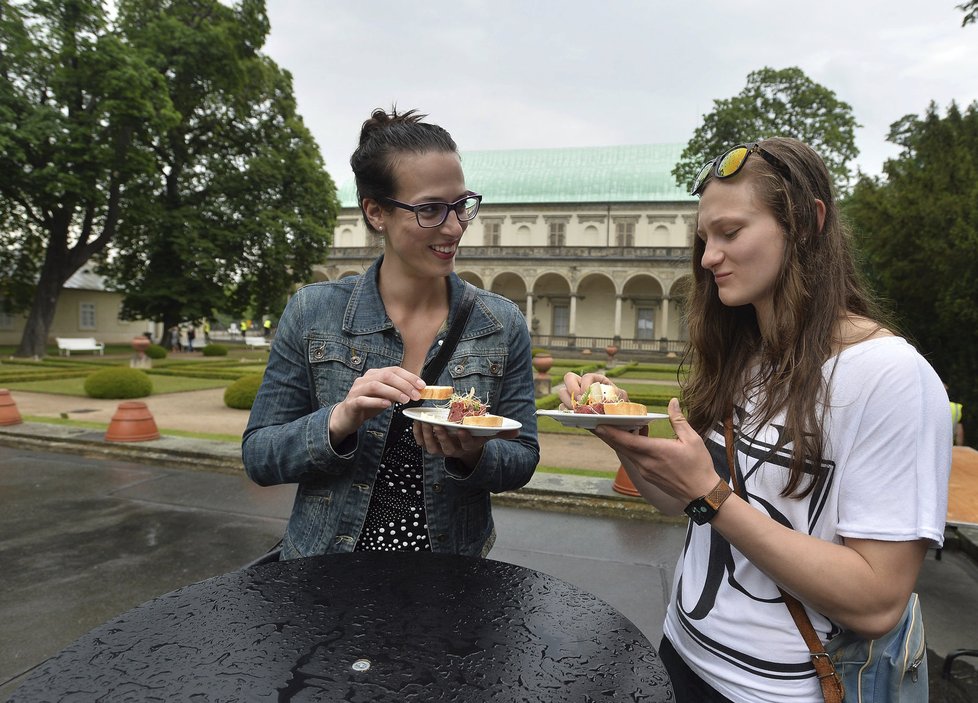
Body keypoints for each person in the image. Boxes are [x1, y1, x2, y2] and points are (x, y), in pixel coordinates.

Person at [559, 138, 951, 702]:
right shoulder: (745, 354)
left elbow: (877, 599)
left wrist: (712, 495)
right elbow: (683, 505)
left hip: (782, 690)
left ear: (808, 222)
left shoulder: (890, 377)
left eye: (730, 233)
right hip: (682, 653)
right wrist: (623, 436)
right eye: (703, 239)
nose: (708, 257)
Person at [242, 107, 539, 560]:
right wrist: (338, 422)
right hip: (327, 572)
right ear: (376, 211)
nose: (454, 226)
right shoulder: (314, 311)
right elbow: (259, 456)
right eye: (430, 210)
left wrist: (472, 454)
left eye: (461, 205)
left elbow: (523, 459)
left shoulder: (499, 323)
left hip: (449, 577)